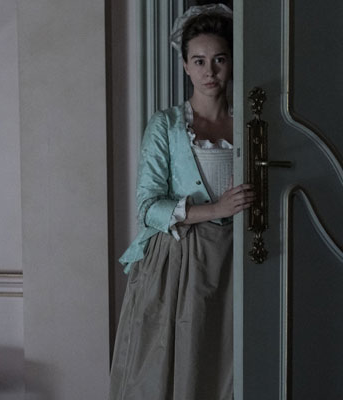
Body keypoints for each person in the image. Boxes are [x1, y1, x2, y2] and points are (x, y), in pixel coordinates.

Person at [109, 4, 254, 400]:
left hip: (239, 257)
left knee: (231, 362)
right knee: (181, 363)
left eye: (219, 59)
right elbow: (147, 207)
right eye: (199, 61)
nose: (210, 71)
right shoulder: (167, 125)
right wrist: (216, 210)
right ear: (186, 66)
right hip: (180, 260)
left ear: (231, 62)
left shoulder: (249, 124)